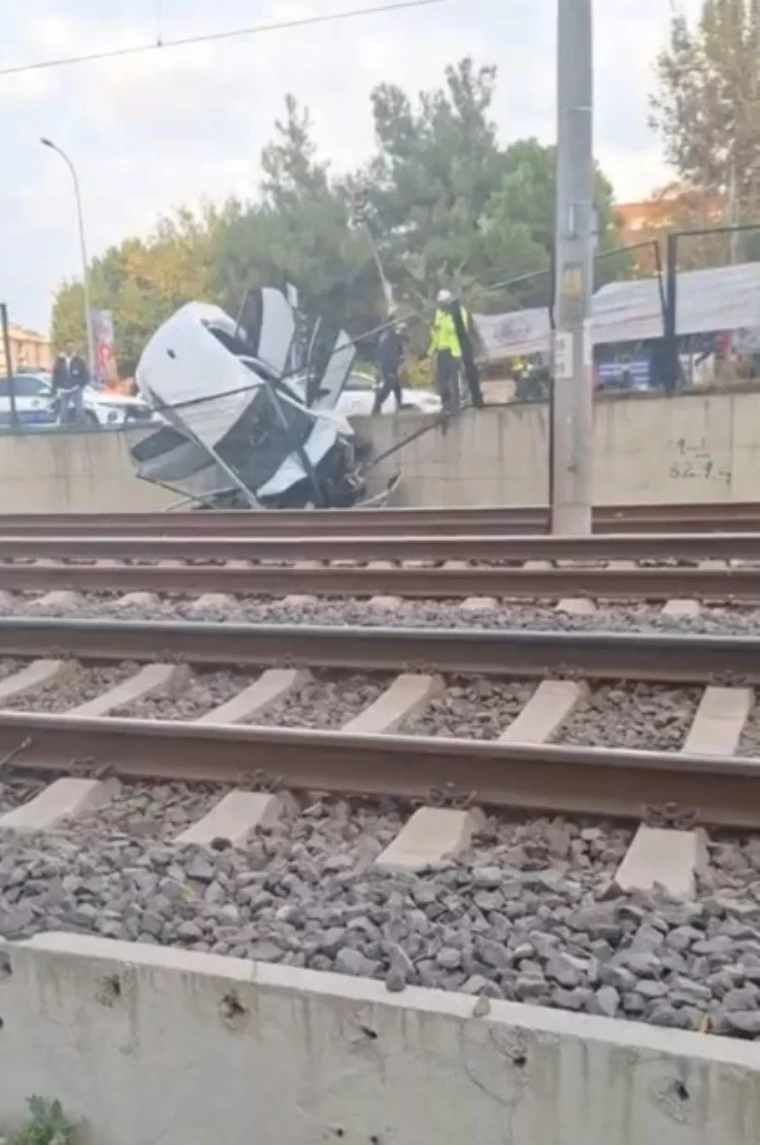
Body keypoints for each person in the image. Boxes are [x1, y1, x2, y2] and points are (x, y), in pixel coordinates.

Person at [428, 289, 469, 414]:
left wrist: (449, 317)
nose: (441, 306)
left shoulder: (459, 312)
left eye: (444, 303)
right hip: (441, 350)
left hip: (454, 350)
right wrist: (431, 350)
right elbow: (436, 333)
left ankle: (457, 405)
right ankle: (446, 405)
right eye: (440, 303)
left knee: (455, 380)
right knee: (442, 381)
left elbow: (460, 329)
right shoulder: (439, 313)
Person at [373, 314, 404, 413]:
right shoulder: (388, 334)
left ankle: (399, 404)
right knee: (390, 383)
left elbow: (399, 349)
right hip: (388, 363)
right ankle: (378, 404)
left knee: (396, 385)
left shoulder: (393, 335)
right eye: (396, 322)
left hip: (393, 363)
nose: (397, 324)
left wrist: (401, 357)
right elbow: (385, 349)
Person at [52, 345, 89, 425]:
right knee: (64, 412)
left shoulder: (78, 361)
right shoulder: (60, 362)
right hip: (64, 389)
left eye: (71, 348)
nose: (69, 350)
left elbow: (85, 374)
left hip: (75, 388)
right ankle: (64, 428)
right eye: (67, 348)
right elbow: (55, 375)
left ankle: (81, 426)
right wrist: (55, 388)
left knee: (79, 410)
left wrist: (81, 385)